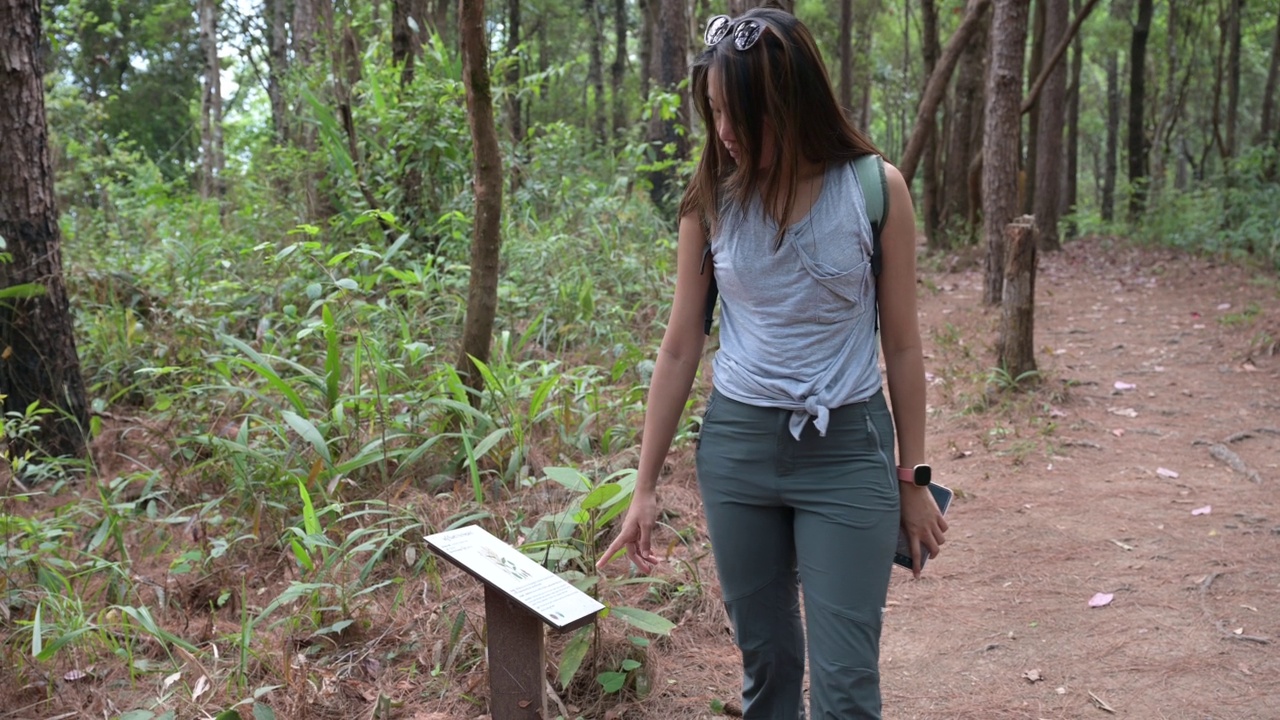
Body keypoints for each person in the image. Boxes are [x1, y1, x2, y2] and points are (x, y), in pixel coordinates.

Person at [598, 7, 949, 719]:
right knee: (769, 667)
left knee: (847, 686)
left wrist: (913, 479)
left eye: (743, 115)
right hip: (738, 453)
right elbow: (679, 345)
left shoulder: (876, 190)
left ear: (791, 104)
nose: (725, 132)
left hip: (849, 451)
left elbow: (904, 346)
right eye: (716, 111)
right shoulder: (712, 202)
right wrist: (644, 488)